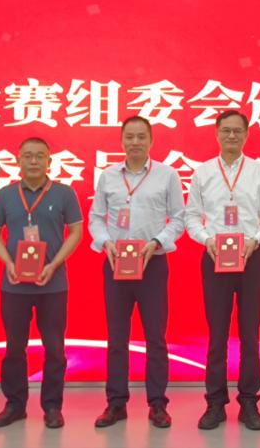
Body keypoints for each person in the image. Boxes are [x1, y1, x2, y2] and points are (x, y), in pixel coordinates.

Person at [88, 116, 185, 429]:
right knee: (117, 337)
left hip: (152, 263)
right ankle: (116, 403)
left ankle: (157, 404)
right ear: (121, 140)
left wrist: (157, 242)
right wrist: (105, 243)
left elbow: (178, 218)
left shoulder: (167, 175)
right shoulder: (108, 176)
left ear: (151, 140)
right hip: (116, 262)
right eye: (129, 137)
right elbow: (96, 217)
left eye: (141, 136)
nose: (135, 142)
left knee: (155, 337)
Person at [185, 110, 260, 431]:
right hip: (215, 258)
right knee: (217, 335)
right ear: (216, 133)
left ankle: (249, 402)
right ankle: (215, 403)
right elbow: (191, 216)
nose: (231, 136)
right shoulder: (203, 172)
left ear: (247, 134)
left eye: (238, 131)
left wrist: (256, 239)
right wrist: (207, 239)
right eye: (226, 130)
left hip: (251, 258)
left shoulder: (258, 171)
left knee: (250, 334)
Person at [0, 137, 83, 429]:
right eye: (27, 155)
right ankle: (15, 405)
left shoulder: (65, 193)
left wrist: (54, 264)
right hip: (14, 284)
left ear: (49, 161)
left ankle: (52, 406)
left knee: (54, 347)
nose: (33, 161)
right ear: (18, 160)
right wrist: (8, 262)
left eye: (39, 156)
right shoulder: (5, 194)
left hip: (53, 284)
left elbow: (76, 232)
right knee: (14, 347)